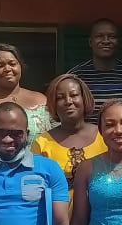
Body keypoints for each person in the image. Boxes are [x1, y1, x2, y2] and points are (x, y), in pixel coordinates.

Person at [30, 74, 107, 204]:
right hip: (57, 214)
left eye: (74, 95)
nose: (68, 101)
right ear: (53, 104)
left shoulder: (105, 135)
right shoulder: (41, 142)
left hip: (101, 213)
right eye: (60, 97)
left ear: (84, 98)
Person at [68, 18, 122, 124]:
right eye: (99, 36)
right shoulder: (76, 76)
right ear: (90, 42)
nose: (106, 41)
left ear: (118, 42)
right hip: (88, 135)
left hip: (121, 133)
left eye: (111, 36)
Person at [0, 43, 51, 145]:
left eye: (12, 64)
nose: (7, 69)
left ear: (20, 66)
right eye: (0, 66)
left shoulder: (41, 100)